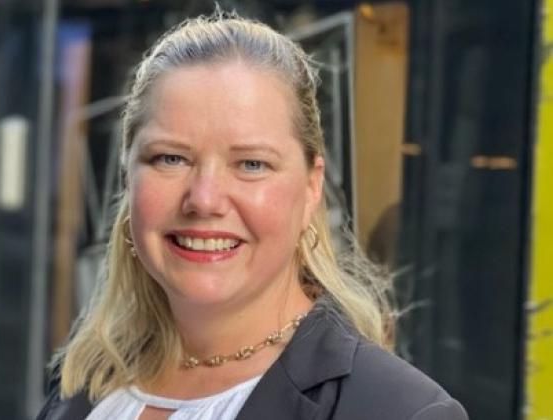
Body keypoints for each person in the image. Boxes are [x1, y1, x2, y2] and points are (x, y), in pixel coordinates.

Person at [37, 11, 468, 420]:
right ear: (128, 176)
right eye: (170, 158)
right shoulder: (86, 380)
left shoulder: (403, 412)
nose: (204, 200)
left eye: (251, 164)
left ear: (311, 186)